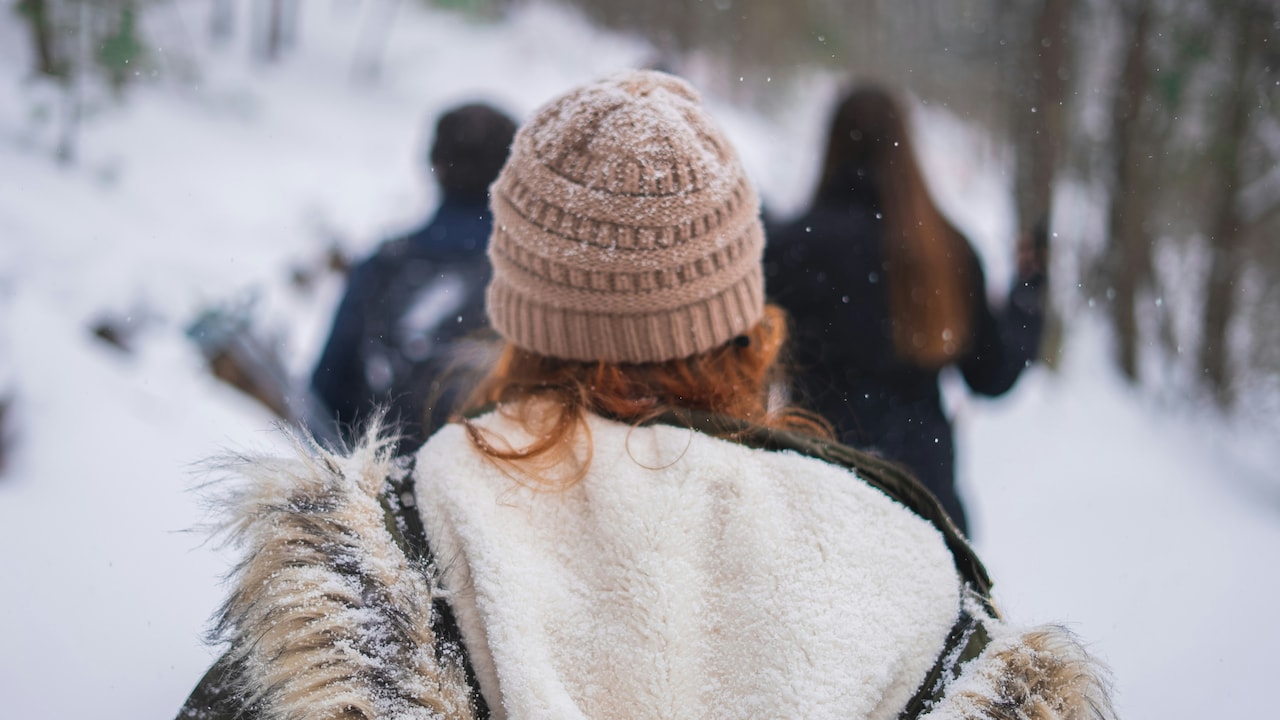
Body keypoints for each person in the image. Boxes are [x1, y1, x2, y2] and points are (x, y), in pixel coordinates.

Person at [178, 71, 1110, 720]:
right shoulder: (916, 593)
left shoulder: (380, 573)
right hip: (923, 470)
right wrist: (1028, 292)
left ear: (519, 320)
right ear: (750, 331)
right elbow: (994, 371)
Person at [765, 85, 1048, 536]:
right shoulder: (947, 253)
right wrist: (1026, 298)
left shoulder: (787, 249)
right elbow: (993, 375)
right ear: (906, 151)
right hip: (921, 508)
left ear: (833, 145)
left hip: (813, 502)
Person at [310, 102, 517, 452]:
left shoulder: (384, 266)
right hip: (498, 493)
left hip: (383, 490)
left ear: (434, 166)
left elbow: (324, 400)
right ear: (515, 173)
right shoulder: (531, 283)